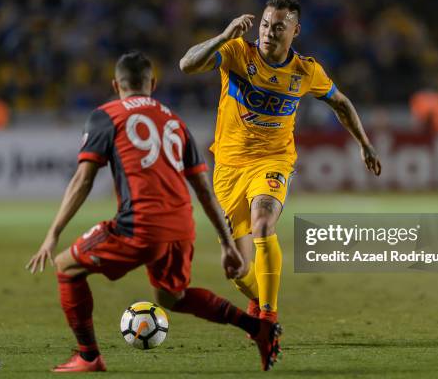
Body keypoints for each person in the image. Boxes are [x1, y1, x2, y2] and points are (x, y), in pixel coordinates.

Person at [26, 51, 282, 372]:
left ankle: (89, 356)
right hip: (181, 227)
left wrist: (53, 234)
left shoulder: (107, 115)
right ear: (153, 84)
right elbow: (203, 188)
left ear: (115, 85)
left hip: (139, 226)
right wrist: (227, 243)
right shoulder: (175, 121)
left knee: (66, 267)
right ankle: (257, 328)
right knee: (171, 298)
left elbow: (82, 180)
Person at [179, 0, 381, 323]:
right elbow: (186, 64)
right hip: (228, 168)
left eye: (278, 27)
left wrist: (364, 142)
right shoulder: (235, 52)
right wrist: (223, 36)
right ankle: (259, 297)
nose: (269, 32)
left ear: (295, 31)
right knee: (237, 268)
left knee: (262, 222)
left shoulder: (306, 71)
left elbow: (340, 102)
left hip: (273, 160)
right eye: (265, 24)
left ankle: (268, 318)